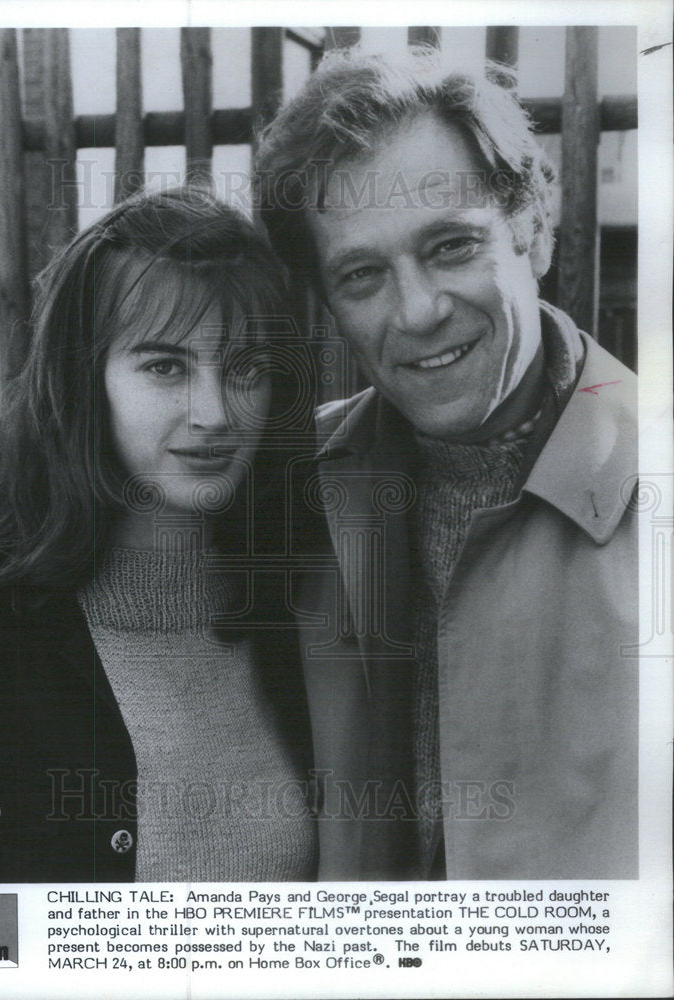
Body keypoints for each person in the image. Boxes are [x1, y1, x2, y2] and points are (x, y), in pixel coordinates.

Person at [254, 48, 638, 880]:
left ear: (532, 225)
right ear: (327, 302)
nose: (418, 310)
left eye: (450, 246)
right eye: (362, 275)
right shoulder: (285, 487)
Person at [0, 187, 322, 883]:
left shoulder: (309, 612)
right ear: (82, 380)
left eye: (246, 367)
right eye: (164, 366)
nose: (213, 412)